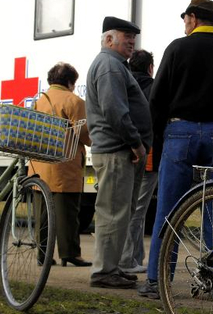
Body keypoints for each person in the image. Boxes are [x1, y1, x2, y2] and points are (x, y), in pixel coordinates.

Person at [139, 0, 213, 299]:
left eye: (185, 19)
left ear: (192, 18)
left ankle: (156, 280)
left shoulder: (177, 48)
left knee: (169, 209)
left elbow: (158, 98)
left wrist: (162, 136)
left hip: (179, 133)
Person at [85, 16, 153, 289]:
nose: (132, 41)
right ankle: (103, 272)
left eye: (133, 37)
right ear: (109, 39)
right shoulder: (110, 66)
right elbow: (115, 110)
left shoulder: (115, 65)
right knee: (112, 214)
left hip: (117, 151)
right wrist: (136, 142)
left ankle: (111, 267)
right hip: (116, 152)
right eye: (126, 36)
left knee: (118, 213)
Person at [29, 62, 93, 268]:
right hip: (64, 166)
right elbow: (83, 134)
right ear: (69, 82)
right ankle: (70, 254)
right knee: (67, 214)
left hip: (39, 165)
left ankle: (42, 254)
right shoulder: (73, 101)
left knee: (42, 214)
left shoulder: (39, 101)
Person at [120, 49, 157, 274]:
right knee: (138, 209)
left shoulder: (123, 83)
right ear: (150, 68)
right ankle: (129, 260)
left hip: (124, 151)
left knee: (129, 207)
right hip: (148, 154)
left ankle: (135, 257)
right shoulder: (153, 87)